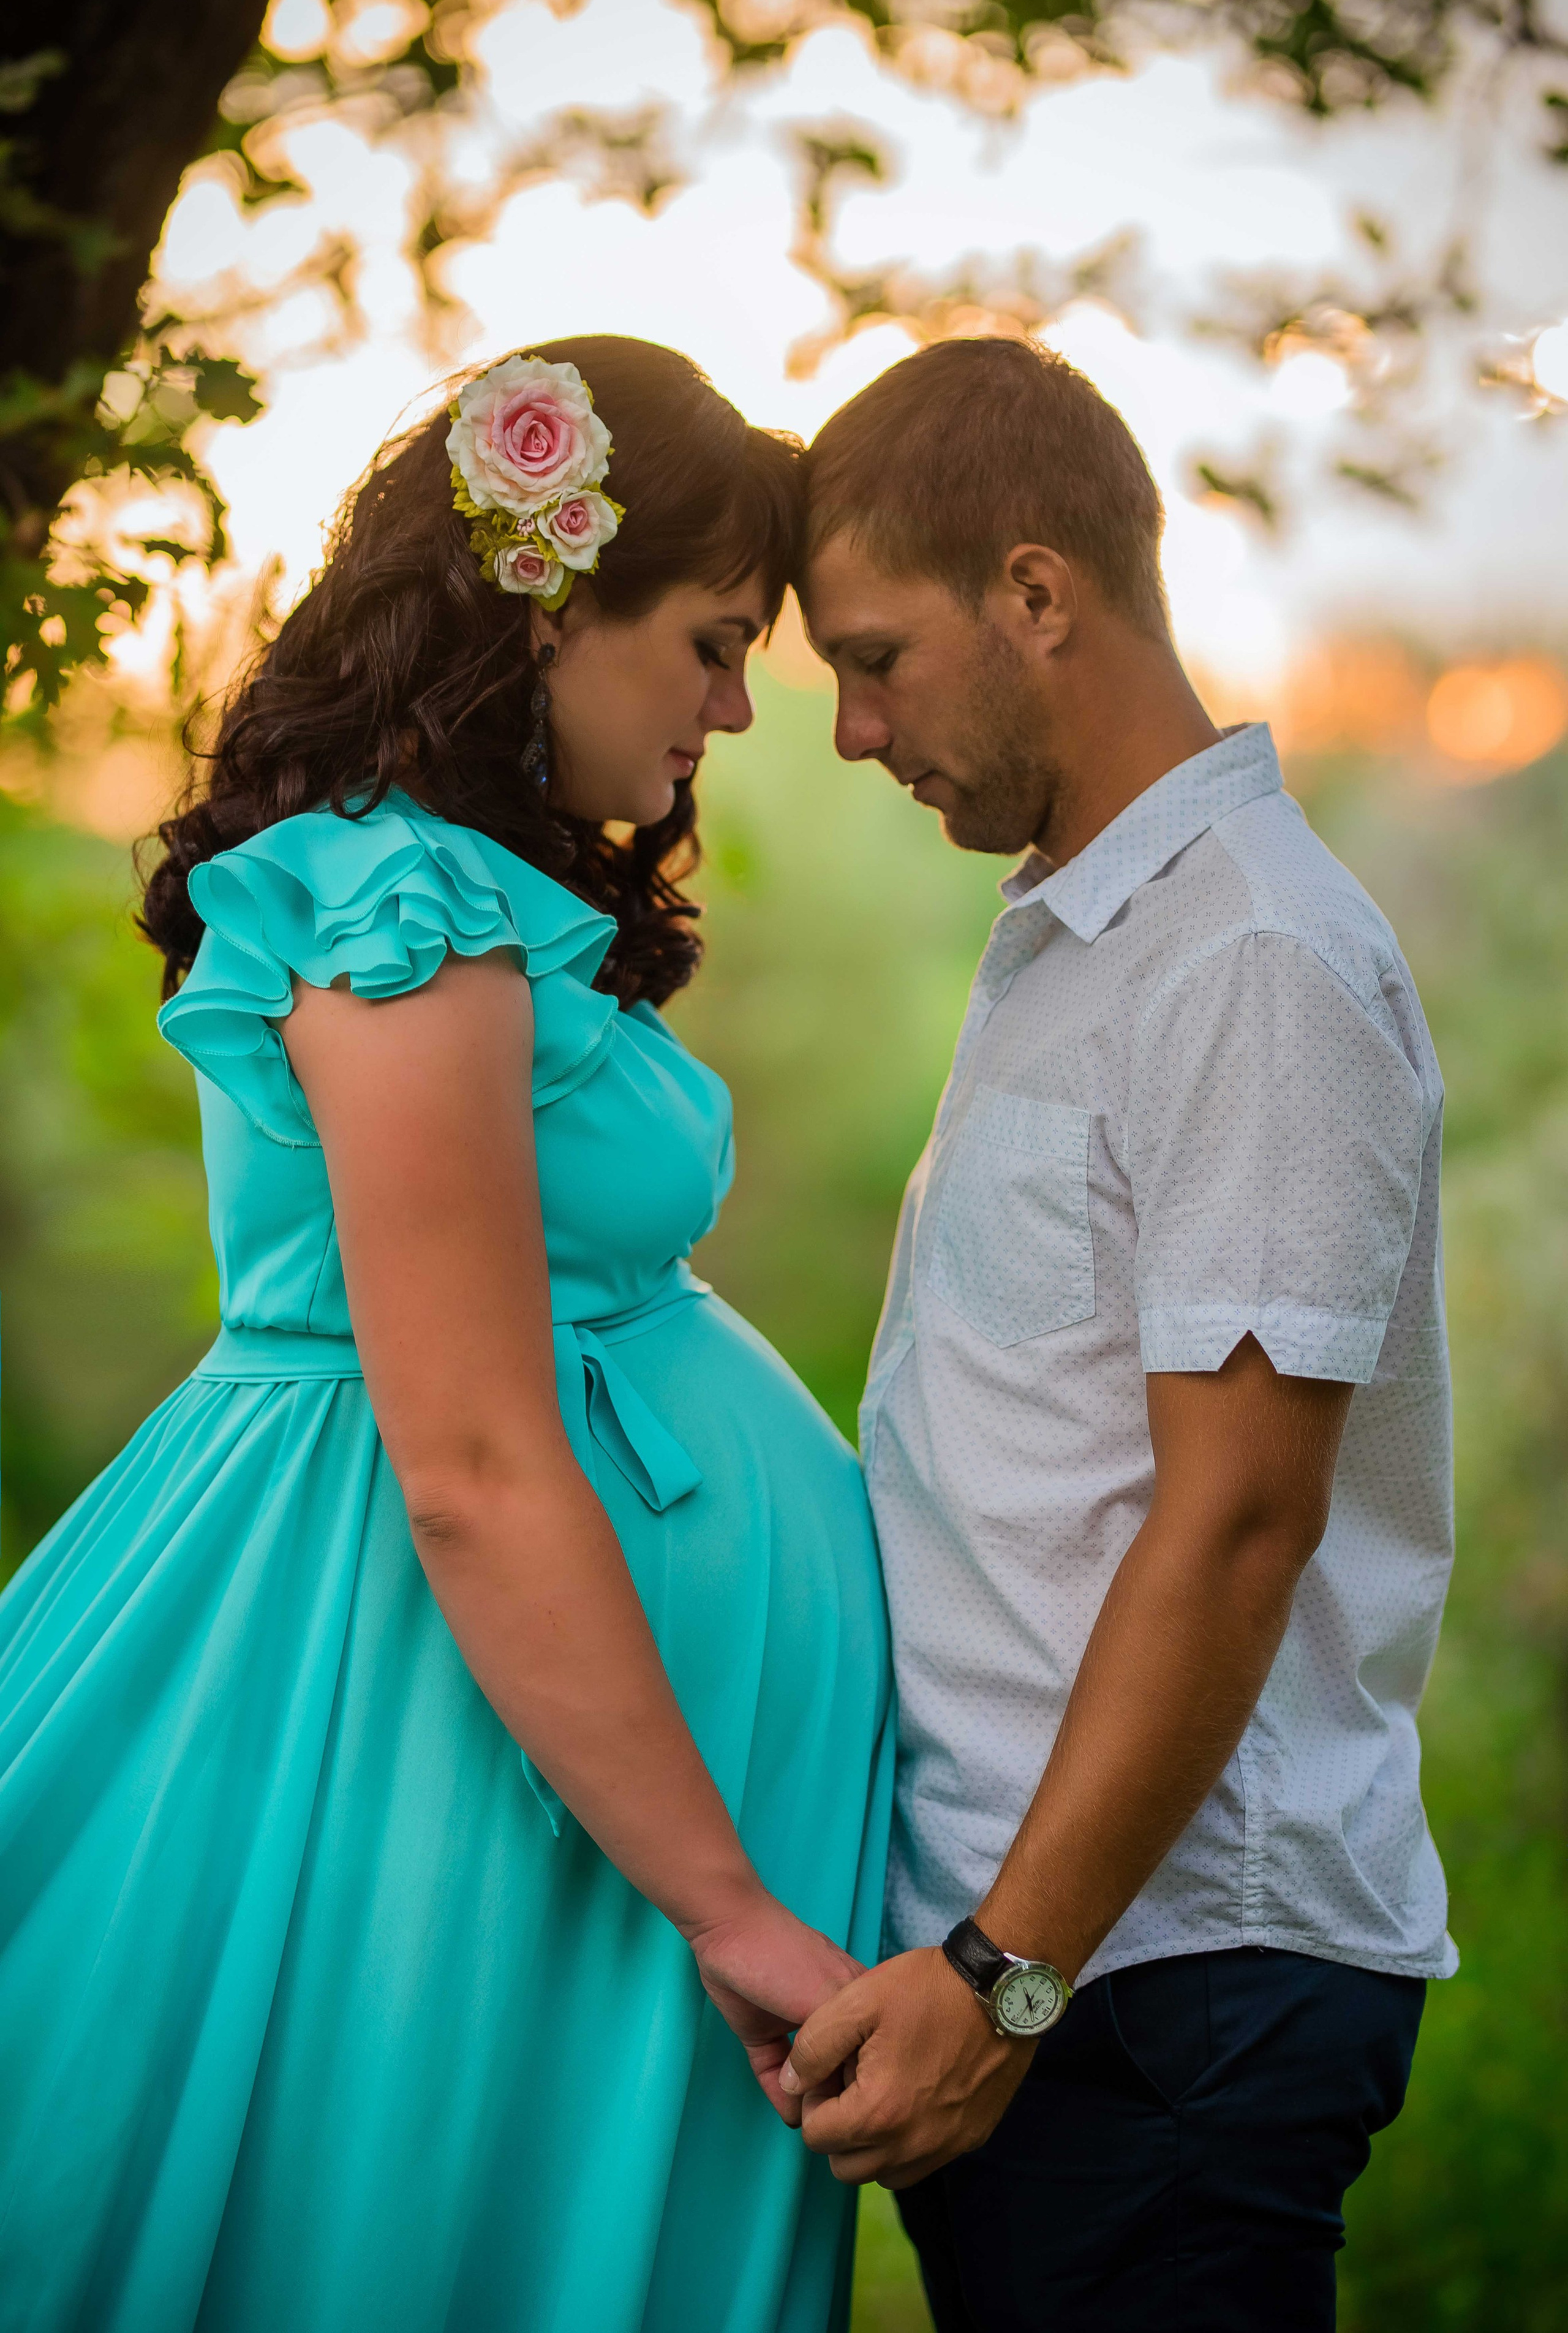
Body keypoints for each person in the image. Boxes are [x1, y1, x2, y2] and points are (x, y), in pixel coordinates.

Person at [0, 338, 892, 2333]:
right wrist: (728, 1903)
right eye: (715, 644)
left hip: (554, 1761)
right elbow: (476, 1465)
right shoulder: (396, 911)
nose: (737, 709)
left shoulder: (473, 895)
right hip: (418, 1709)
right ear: (555, 600)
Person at [779, 336, 1455, 2332]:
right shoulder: (1098, 926)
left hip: (1159, 1988)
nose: (851, 730)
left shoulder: (1251, 953)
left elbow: (1237, 1523)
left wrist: (1007, 1974)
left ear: (1037, 593)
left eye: (875, 659)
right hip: (1070, 1967)